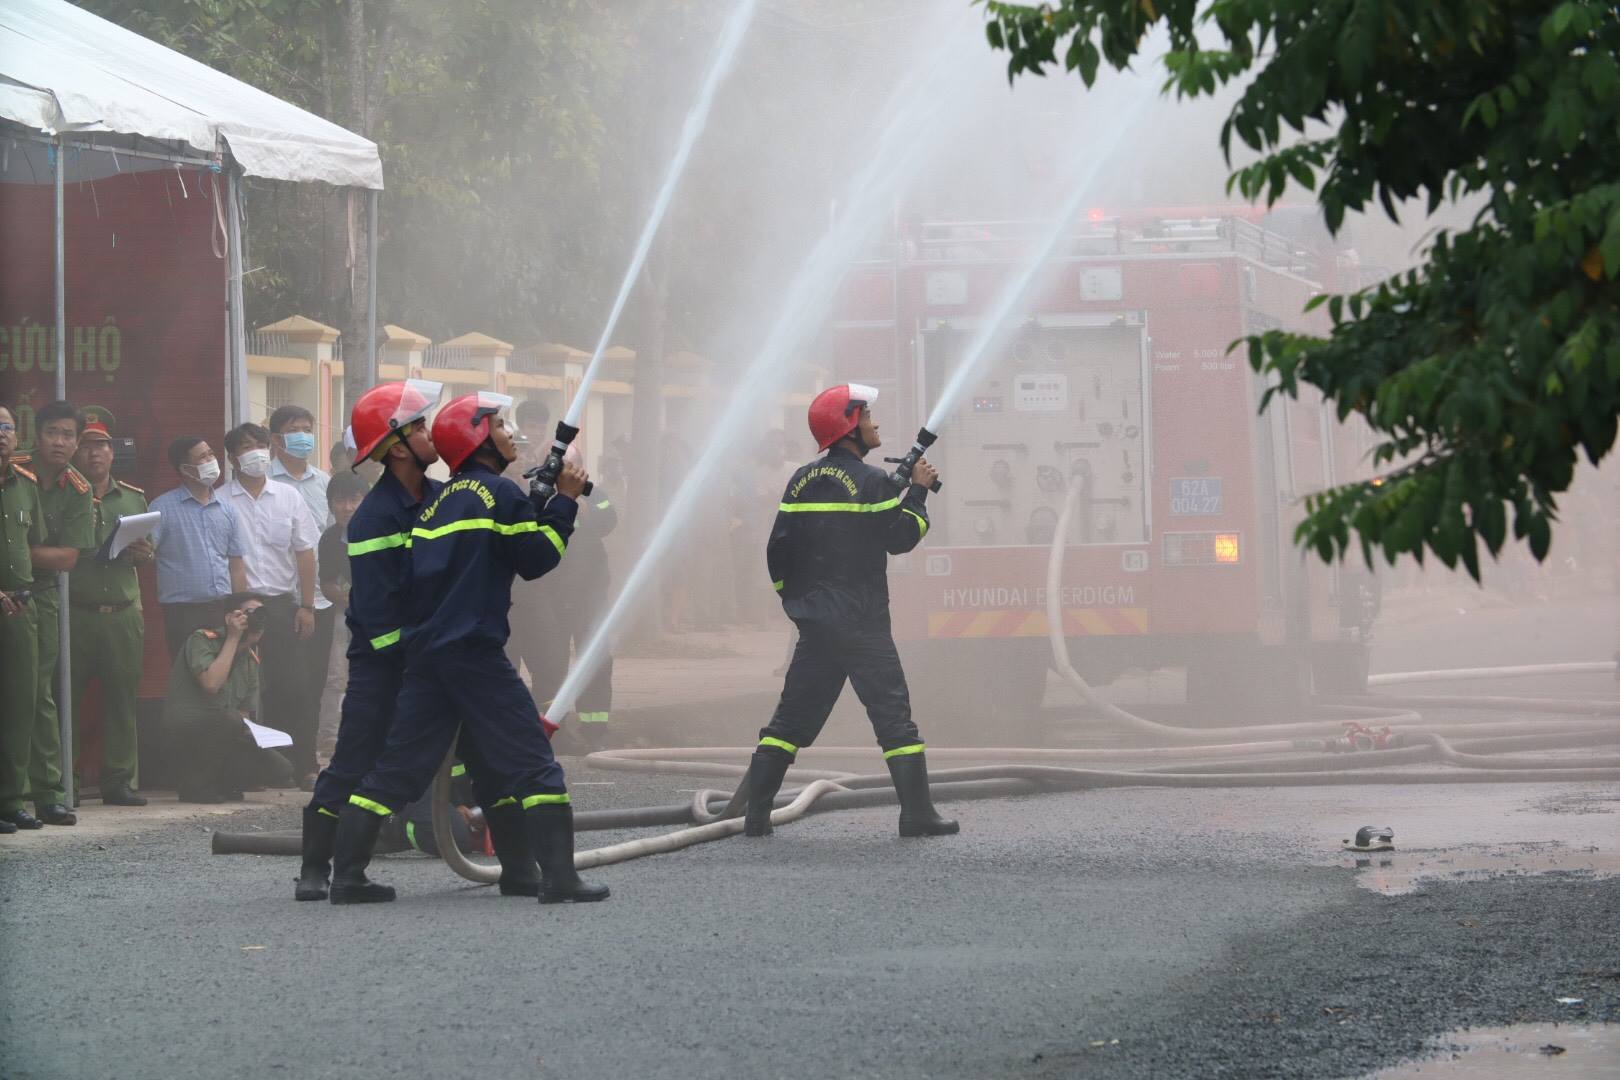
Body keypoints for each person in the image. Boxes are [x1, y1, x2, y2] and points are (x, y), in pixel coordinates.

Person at [330, 391, 609, 906]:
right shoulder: (500, 494)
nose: (509, 433)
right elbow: (537, 557)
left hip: (427, 657)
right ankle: (560, 879)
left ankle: (347, 877)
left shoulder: (436, 502)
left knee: (403, 770)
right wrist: (565, 502)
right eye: (499, 425)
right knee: (533, 763)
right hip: (475, 655)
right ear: (478, 438)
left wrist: (539, 503)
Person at [740, 383, 957, 839]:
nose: (875, 423)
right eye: (867, 416)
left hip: (817, 625)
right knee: (893, 718)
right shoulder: (874, 483)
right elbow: (899, 538)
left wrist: (797, 604)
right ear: (849, 426)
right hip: (862, 624)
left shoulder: (799, 479)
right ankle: (917, 815)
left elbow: (777, 551)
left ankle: (755, 816)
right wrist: (918, 493)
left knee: (789, 721)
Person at [221, 422, 323, 787]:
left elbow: (305, 553)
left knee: (293, 686)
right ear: (233, 458)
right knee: (242, 690)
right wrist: (239, 609)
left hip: (282, 604)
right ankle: (252, 770)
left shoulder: (289, 496)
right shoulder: (221, 500)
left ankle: (301, 765)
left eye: (261, 444)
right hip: (238, 606)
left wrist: (306, 606)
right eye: (247, 447)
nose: (256, 452)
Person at [68, 407, 155, 806]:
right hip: (74, 613)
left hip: (121, 612)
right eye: (86, 446)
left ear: (111, 451)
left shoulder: (133, 497)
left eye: (101, 445)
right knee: (64, 698)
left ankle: (119, 780)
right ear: (74, 451)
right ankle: (61, 779)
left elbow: (145, 555)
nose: (94, 454)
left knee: (122, 700)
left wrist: (142, 552)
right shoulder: (63, 494)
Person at [19, 400, 95, 827]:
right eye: (53, 432)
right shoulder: (10, 471)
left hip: (40, 596)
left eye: (68, 435)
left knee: (39, 694)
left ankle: (47, 793)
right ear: (37, 433)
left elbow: (67, 558)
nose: (60, 442)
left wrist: (14, 553)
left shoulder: (78, 489)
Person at [163, 593, 293, 802]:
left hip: (224, 732)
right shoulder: (202, 639)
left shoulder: (251, 659)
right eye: (250, 613)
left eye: (261, 615)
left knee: (282, 768)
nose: (256, 620)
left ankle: (224, 784)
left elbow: (244, 713)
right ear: (230, 617)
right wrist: (233, 638)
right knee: (229, 720)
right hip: (187, 731)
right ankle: (195, 787)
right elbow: (211, 684)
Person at [150, 436, 249, 661]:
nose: (211, 460)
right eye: (202, 457)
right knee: (188, 677)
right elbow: (146, 553)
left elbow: (236, 564)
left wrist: (240, 606)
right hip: (183, 611)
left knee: (223, 674)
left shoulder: (227, 509)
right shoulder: (161, 508)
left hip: (222, 608)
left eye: (211, 454)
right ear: (185, 469)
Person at [0, 403, 46, 833]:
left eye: (7, 427)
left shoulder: (25, 485)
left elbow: (32, 546)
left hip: (19, 611)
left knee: (19, 708)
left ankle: (11, 800)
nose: (1, 433)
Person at [313, 471, 369, 766]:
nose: (347, 507)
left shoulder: (381, 530)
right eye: (340, 501)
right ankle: (329, 739)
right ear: (331, 504)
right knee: (336, 676)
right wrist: (349, 599)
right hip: (345, 611)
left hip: (385, 613)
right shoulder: (330, 538)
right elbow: (327, 583)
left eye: (354, 499)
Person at [266, 405, 331, 529]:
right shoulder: (264, 479)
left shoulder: (324, 480)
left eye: (307, 430)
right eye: (293, 430)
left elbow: (330, 527)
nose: (302, 436)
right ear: (276, 439)